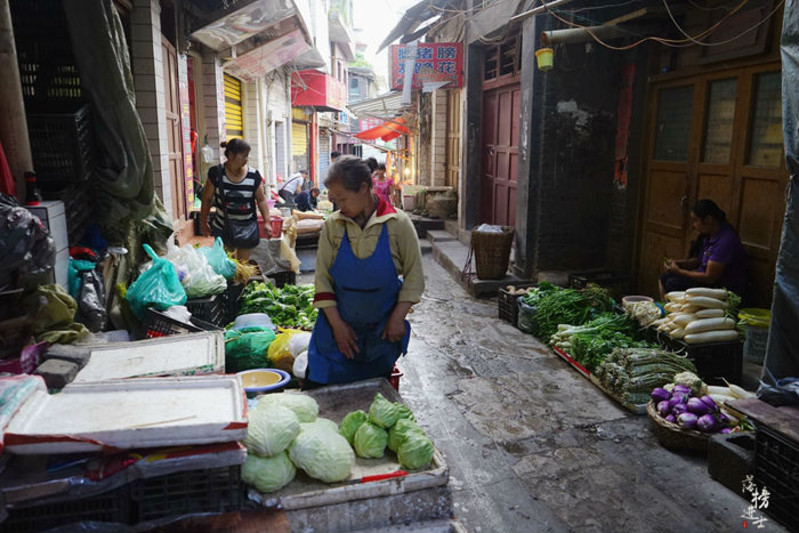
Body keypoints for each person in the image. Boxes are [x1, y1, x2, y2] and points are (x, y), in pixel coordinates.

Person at [307, 156, 425, 385]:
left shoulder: (398, 224)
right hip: (335, 329)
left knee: (370, 396)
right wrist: (338, 326)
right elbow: (322, 279)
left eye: (342, 199)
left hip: (380, 331)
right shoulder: (334, 225)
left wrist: (398, 318)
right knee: (321, 389)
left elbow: (415, 278)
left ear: (363, 188)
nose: (339, 206)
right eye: (334, 200)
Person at [660, 199, 748, 300]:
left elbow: (709, 277)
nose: (693, 225)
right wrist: (679, 263)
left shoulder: (725, 241)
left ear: (708, 219)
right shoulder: (709, 235)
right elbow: (700, 261)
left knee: (674, 284)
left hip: (722, 288)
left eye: (695, 220)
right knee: (665, 276)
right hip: (707, 281)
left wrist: (680, 271)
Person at [200, 139, 272, 261]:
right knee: (227, 265)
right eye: (244, 156)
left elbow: (261, 200)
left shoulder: (253, 175)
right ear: (232, 155)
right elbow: (206, 199)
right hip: (223, 228)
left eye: (247, 156)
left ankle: (241, 281)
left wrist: (267, 222)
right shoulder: (216, 173)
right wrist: (203, 222)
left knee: (242, 267)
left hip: (247, 228)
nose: (246, 159)